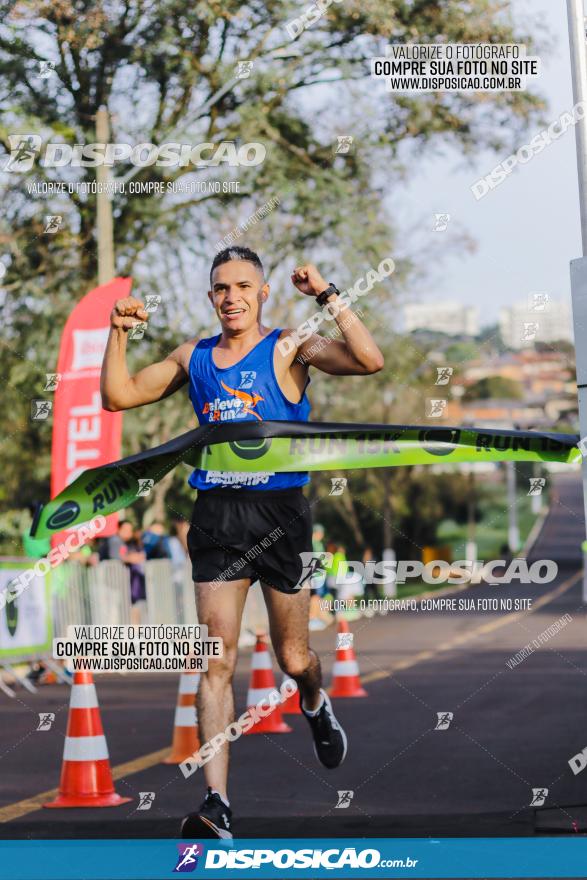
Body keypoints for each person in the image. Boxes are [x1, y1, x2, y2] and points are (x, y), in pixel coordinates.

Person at [100, 246, 384, 839]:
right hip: (218, 516)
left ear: (262, 295)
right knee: (215, 658)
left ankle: (312, 699)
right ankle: (217, 805)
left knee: (293, 656)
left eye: (243, 286)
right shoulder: (194, 357)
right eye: (221, 288)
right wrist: (118, 334)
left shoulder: (289, 346)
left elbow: (369, 360)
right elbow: (118, 396)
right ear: (212, 298)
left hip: (283, 514)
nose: (232, 297)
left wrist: (328, 294)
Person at [99, 519, 146, 622]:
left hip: (115, 585)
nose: (130, 532)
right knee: (111, 616)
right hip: (110, 585)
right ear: (120, 529)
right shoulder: (115, 540)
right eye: (127, 529)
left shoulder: (121, 542)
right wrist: (131, 558)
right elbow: (115, 558)